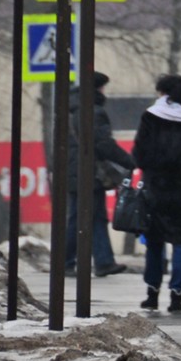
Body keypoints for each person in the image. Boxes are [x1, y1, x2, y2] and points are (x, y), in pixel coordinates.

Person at [132, 74, 181, 313]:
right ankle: (177, 294)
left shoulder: (151, 116)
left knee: (155, 243)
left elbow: (140, 154)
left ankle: (152, 293)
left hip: (157, 187)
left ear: (164, 93)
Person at [65, 71, 134, 276]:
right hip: (88, 172)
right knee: (81, 217)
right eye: (103, 88)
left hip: (76, 171)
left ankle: (103, 261)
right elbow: (102, 143)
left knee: (94, 217)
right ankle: (66, 260)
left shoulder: (72, 109)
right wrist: (128, 161)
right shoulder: (92, 111)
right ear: (97, 89)